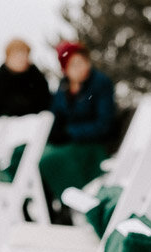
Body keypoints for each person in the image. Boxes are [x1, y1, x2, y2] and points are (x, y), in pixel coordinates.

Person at [40, 41, 116, 225]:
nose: (81, 68)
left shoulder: (100, 84)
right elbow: (55, 115)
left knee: (51, 159)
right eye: (74, 64)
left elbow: (104, 124)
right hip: (69, 144)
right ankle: (49, 208)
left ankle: (67, 205)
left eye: (83, 62)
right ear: (65, 69)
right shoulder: (63, 88)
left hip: (93, 144)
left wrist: (70, 132)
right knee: (37, 155)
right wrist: (54, 131)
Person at [0, 38, 50, 118]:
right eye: (15, 54)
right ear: (7, 58)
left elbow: (46, 109)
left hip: (35, 125)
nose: (20, 58)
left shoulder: (38, 79)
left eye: (23, 54)